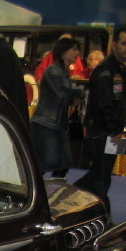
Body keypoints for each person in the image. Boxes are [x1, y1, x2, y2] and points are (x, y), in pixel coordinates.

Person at [74, 26, 126, 220]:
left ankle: (70, 199)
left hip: (110, 132)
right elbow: (103, 103)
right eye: (124, 43)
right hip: (101, 133)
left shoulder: (120, 68)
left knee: (99, 177)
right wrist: (113, 130)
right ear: (114, 45)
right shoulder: (105, 70)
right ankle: (104, 218)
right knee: (100, 179)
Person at [30, 37, 85, 178]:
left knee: (61, 164)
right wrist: (81, 91)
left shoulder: (63, 72)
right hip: (46, 123)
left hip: (55, 124)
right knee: (45, 164)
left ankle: (51, 189)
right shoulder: (53, 71)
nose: (77, 53)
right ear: (63, 51)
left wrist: (73, 99)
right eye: (74, 49)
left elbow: (63, 96)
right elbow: (63, 92)